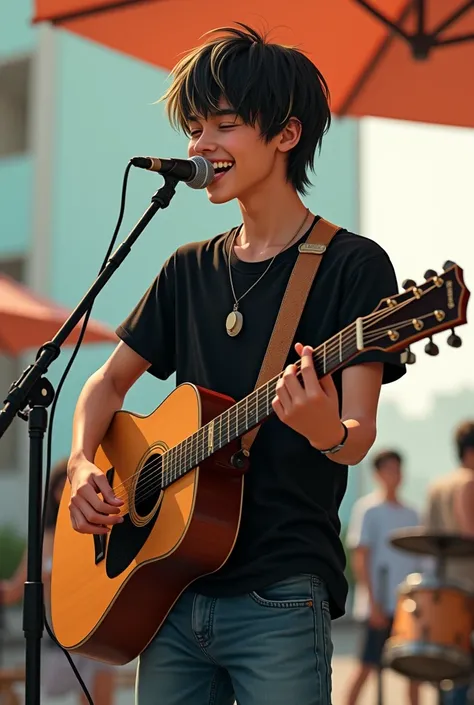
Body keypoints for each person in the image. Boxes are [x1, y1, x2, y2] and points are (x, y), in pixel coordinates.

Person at [66, 23, 406, 705]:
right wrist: (79, 465)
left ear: (285, 134)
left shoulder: (352, 267)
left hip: (280, 595)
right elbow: (104, 385)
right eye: (194, 128)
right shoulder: (187, 268)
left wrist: (323, 429)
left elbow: (358, 432)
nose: (198, 146)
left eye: (223, 124)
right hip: (168, 591)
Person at [0, 458, 116, 705]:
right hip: (61, 634)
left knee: (101, 701)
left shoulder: (97, 529)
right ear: (53, 493)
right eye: (60, 486)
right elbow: (13, 590)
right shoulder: (42, 539)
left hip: (98, 627)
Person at [345, 449, 420, 705]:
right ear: (378, 474)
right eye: (388, 469)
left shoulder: (412, 514)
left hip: (405, 607)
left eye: (398, 469)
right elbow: (361, 557)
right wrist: (373, 601)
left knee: (413, 672)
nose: (394, 475)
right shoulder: (368, 510)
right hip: (378, 605)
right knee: (366, 667)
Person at [424, 421, 474, 705]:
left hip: (444, 589)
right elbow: (469, 535)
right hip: (469, 587)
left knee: (448, 669)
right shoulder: (469, 482)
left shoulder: (437, 485)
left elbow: (428, 539)